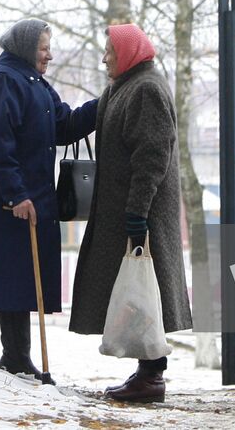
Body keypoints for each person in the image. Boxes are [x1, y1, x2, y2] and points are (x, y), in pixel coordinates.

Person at [0, 19, 97, 378]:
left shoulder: (35, 85)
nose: (49, 54)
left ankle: (16, 355)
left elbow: (64, 126)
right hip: (0, 203)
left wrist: (102, 104)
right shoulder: (2, 83)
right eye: (44, 47)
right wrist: (16, 194)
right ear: (27, 48)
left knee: (18, 275)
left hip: (23, 202)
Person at [69, 23, 192, 404]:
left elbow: (153, 156)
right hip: (124, 210)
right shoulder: (125, 86)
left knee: (143, 289)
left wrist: (138, 213)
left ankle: (152, 375)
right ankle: (146, 371)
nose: (105, 57)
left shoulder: (147, 89)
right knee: (132, 290)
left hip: (142, 212)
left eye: (110, 51)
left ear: (128, 53)